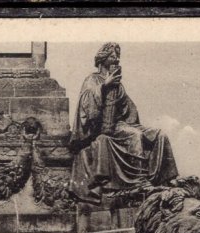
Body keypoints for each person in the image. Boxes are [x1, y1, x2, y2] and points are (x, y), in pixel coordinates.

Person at [69, 42, 179, 205]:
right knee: (135, 135)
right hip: (101, 128)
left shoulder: (118, 83)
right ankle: (139, 180)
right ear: (103, 59)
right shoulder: (92, 79)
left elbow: (128, 109)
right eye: (113, 56)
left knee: (159, 134)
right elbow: (87, 107)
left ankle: (166, 178)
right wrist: (105, 85)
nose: (116, 59)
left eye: (117, 56)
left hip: (121, 123)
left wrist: (121, 102)